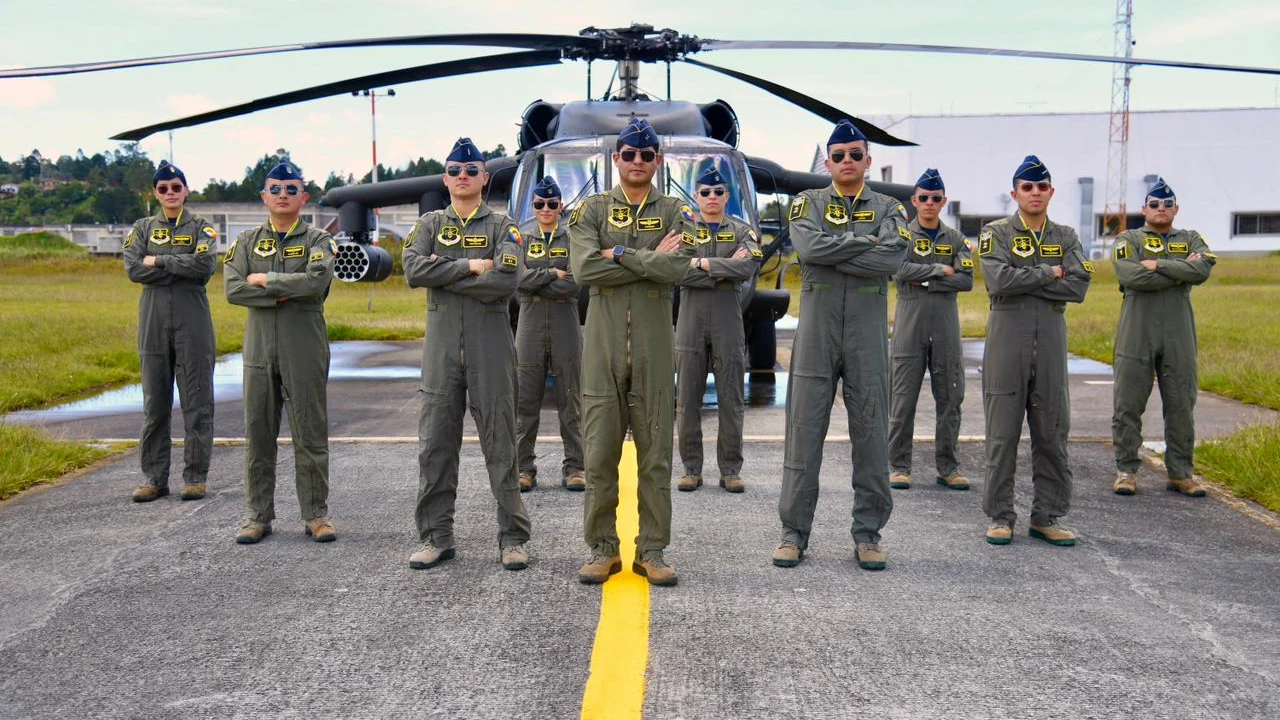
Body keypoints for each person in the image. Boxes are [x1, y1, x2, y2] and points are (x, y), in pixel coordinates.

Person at [772, 119, 910, 572]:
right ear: (827, 162)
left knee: (871, 433)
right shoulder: (806, 203)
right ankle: (794, 532)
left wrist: (840, 247)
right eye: (838, 155)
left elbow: (892, 257)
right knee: (804, 432)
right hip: (817, 329)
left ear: (868, 161)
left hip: (867, 333)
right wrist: (861, 242)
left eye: (855, 154)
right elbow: (809, 250)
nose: (847, 162)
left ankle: (868, 534)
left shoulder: (890, 208)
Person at [568, 118, 695, 587]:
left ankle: (652, 550)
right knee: (599, 455)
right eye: (629, 154)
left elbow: (677, 267)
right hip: (601, 348)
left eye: (646, 155)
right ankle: (602, 549)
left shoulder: (676, 210)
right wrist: (647, 260)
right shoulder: (592, 210)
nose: (637, 161)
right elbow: (583, 269)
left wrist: (617, 255)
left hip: (655, 350)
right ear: (616, 159)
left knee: (656, 455)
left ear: (658, 162)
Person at [402, 138, 532, 572]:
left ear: (484, 178)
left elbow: (507, 279)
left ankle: (512, 538)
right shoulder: (429, 224)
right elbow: (413, 269)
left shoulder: (503, 225)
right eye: (455, 169)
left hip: (490, 347)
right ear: (445, 178)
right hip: (441, 351)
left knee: (500, 443)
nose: (463, 176)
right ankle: (436, 536)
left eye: (471, 170)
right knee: (435, 445)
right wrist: (471, 265)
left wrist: (444, 273)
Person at [977, 155, 1093, 547]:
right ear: (1015, 193)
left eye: (1042, 187)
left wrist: (1029, 278)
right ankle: (1000, 515)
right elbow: (998, 280)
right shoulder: (997, 233)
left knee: (1052, 432)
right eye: (1027, 187)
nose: (1035, 193)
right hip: (1008, 338)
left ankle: (1047, 515)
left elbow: (1078, 286)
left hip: (1051, 340)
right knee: (1002, 433)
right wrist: (1048, 272)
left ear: (1051, 192)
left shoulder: (1066, 236)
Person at [224, 161, 337, 545]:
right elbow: (234, 289)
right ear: (264, 196)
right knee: (258, 432)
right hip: (259, 349)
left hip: (303, 347)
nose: (283, 195)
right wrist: (287, 292)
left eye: (291, 189)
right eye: (275, 189)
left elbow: (317, 282)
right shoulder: (246, 241)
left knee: (310, 432)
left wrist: (268, 280)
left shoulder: (320, 241)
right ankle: (257, 515)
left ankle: (316, 514)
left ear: (304, 196)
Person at [1111, 177, 1216, 497]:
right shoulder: (1128, 238)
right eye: (1154, 204)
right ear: (1144, 208)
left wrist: (1156, 264)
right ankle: (1126, 469)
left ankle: (1181, 472)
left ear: (1176, 209)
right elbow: (1130, 275)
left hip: (1178, 329)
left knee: (1182, 400)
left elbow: (1202, 271)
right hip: (1137, 327)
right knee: (1128, 402)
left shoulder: (1192, 238)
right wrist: (1179, 270)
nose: (1161, 209)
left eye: (1167, 205)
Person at [123, 160, 217, 504]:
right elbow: (134, 268)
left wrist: (159, 261)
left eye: (176, 187)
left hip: (193, 318)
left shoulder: (202, 227)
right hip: (153, 318)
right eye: (163, 188)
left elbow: (204, 265)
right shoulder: (142, 227)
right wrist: (179, 264)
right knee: (155, 403)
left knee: (197, 401)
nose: (170, 193)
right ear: (155, 193)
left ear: (186, 190)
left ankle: (195, 476)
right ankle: (154, 477)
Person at [675, 167, 761, 494]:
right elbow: (676, 270)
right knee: (687, 400)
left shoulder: (742, 230)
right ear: (695, 196)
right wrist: (720, 270)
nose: (712, 197)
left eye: (718, 192)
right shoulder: (682, 230)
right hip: (691, 319)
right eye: (705, 192)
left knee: (731, 398)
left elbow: (748, 266)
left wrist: (702, 263)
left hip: (728, 319)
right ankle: (691, 469)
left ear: (727, 196)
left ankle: (730, 470)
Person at [888, 168, 974, 492]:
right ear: (914, 200)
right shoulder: (902, 236)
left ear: (943, 201)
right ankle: (898, 465)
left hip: (946, 324)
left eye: (935, 198)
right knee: (902, 397)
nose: (928, 203)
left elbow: (966, 279)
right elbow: (898, 269)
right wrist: (938, 270)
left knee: (951, 396)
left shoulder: (956, 239)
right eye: (923, 198)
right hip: (911, 321)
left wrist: (922, 279)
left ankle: (948, 466)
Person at [515, 177, 586, 493]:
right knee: (525, 399)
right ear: (533, 206)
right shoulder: (521, 238)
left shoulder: (574, 238)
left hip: (564, 322)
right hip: (529, 323)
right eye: (540, 204)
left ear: (561, 206)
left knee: (570, 398)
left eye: (552, 204)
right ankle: (523, 468)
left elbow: (574, 283)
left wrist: (536, 277)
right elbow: (516, 279)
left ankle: (576, 467)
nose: (546, 209)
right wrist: (552, 274)